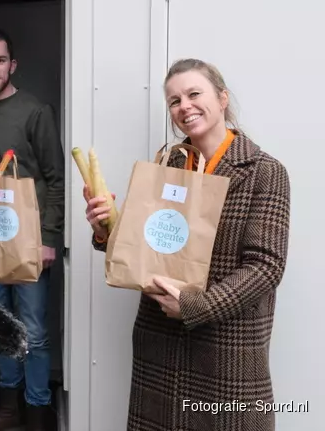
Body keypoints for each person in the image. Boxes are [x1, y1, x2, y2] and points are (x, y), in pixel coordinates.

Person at [84, 58, 291, 431]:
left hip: (227, 347)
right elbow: (141, 246)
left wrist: (197, 305)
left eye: (195, 93)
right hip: (160, 342)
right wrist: (105, 227)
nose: (184, 106)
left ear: (223, 98)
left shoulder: (264, 171)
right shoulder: (168, 165)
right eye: (174, 101)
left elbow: (266, 266)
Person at [0, 29, 65, 431]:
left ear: (13, 65)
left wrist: (48, 239)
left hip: (30, 242)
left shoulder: (35, 110)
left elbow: (55, 178)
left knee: (36, 334)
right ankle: (8, 410)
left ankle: (38, 413)